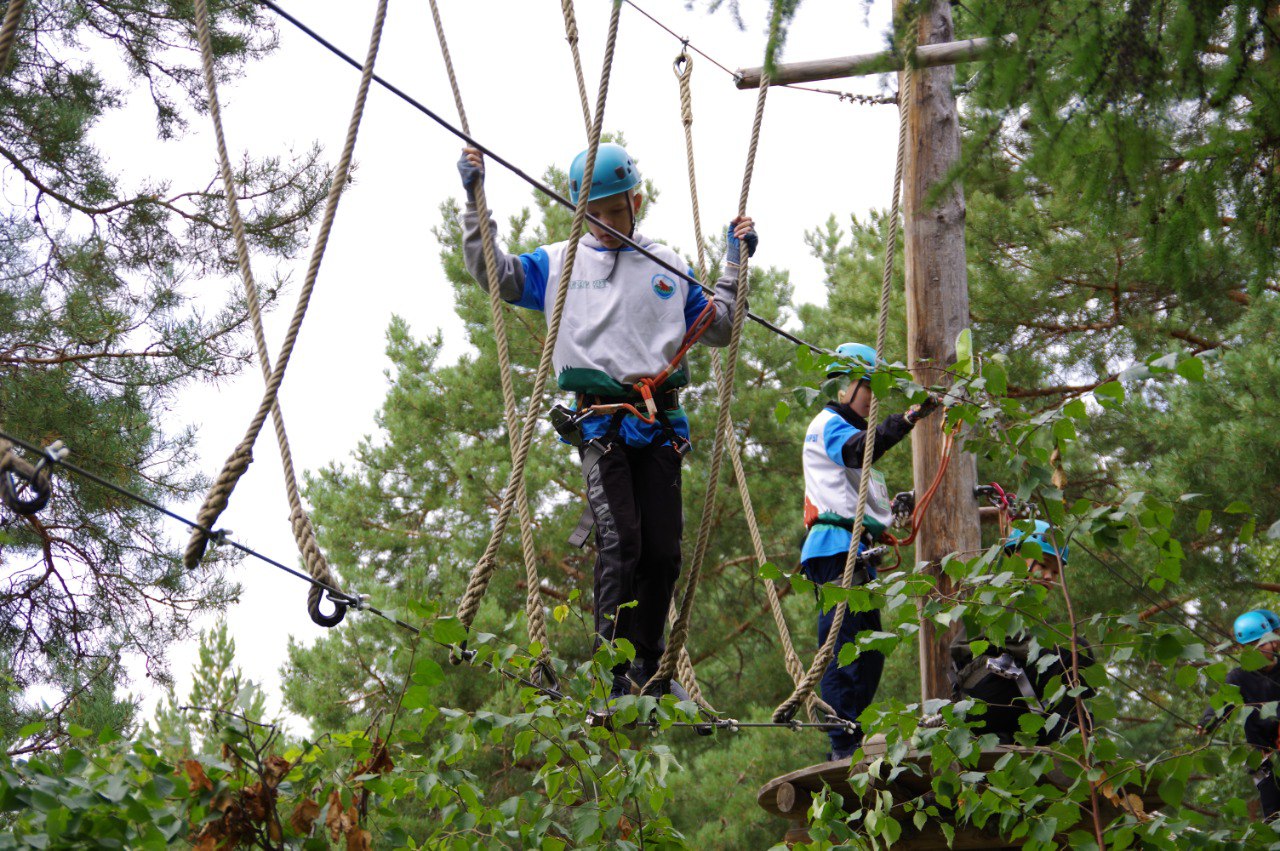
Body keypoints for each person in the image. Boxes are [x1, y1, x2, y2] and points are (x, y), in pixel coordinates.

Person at [457, 142, 757, 703]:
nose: (605, 225)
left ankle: (646, 668)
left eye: (615, 212)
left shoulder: (665, 265)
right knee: (622, 541)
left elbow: (719, 325)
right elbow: (491, 273)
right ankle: (610, 671)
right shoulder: (558, 264)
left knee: (663, 551)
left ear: (636, 201)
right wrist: (476, 205)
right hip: (601, 426)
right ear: (578, 212)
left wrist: (734, 261)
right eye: (592, 215)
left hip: (660, 423)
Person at [801, 342, 938, 761]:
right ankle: (842, 744)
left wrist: (893, 512)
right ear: (847, 386)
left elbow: (865, 500)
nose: (872, 401)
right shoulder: (828, 424)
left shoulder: (853, 434)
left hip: (856, 549)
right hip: (833, 548)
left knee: (869, 650)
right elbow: (863, 448)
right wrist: (909, 418)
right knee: (843, 645)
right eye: (868, 391)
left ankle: (853, 734)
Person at [950, 521, 1094, 744]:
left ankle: (1066, 736)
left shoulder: (1029, 610)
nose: (1049, 577)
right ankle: (1074, 740)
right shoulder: (997, 592)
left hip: (1007, 689)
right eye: (1044, 566)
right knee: (1073, 651)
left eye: (1056, 572)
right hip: (983, 685)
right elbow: (1018, 646)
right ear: (1014, 558)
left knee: (1071, 655)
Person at [1196, 609, 1280, 821]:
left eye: (1261, 644)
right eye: (1250, 647)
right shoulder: (1239, 676)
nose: (1257, 651)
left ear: (1274, 642)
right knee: (1274, 814)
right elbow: (1224, 701)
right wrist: (1207, 722)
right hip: (1264, 755)